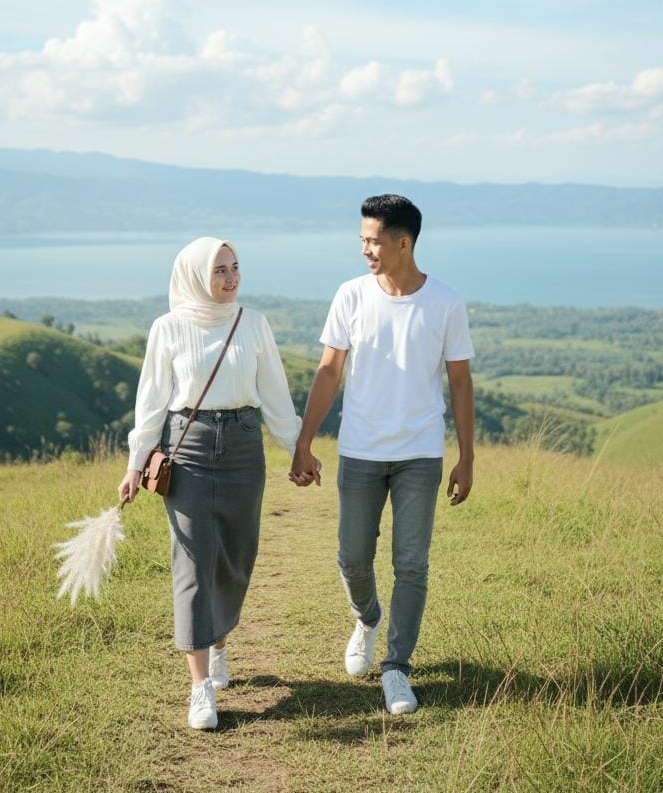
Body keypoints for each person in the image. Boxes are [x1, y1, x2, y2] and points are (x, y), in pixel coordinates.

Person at [289, 194, 474, 715]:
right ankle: (367, 618)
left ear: (403, 242)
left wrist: (467, 456)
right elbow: (329, 371)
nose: (365, 249)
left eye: (373, 241)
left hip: (420, 453)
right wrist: (304, 442)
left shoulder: (445, 303)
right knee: (353, 556)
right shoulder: (350, 295)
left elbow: (460, 382)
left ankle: (397, 667)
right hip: (360, 451)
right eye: (362, 240)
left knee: (411, 563)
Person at [118, 236, 301, 730]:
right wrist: (136, 463)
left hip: (244, 445)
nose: (231, 277)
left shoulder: (253, 323)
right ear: (196, 275)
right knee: (194, 563)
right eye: (220, 270)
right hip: (189, 447)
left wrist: (296, 448)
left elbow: (275, 393)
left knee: (235, 559)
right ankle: (200, 686)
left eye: (235, 267)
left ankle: (219, 642)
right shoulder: (169, 327)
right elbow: (152, 401)